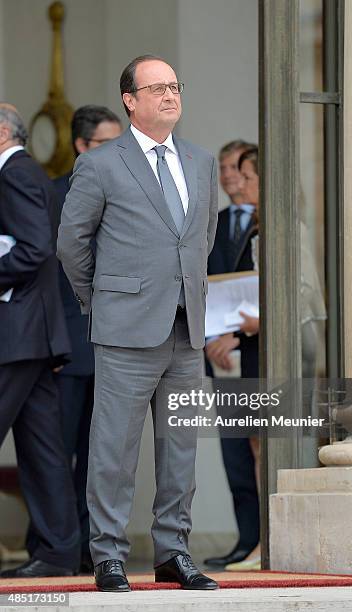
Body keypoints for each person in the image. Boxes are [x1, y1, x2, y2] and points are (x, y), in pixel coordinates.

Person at [57, 55, 219, 592]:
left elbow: (201, 241)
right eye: (157, 88)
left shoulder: (200, 161)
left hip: (185, 331)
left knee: (180, 450)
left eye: (175, 86)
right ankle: (108, 555)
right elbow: (72, 244)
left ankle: (174, 551)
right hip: (125, 329)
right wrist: (103, 300)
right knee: (114, 451)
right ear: (130, 100)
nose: (170, 96)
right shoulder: (102, 163)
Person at [25, 105, 122, 575]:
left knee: (99, 458)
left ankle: (88, 548)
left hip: (111, 348)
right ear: (83, 146)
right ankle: (46, 548)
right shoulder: (51, 193)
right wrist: (55, 344)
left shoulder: (129, 193)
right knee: (53, 453)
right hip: (65, 350)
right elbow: (45, 274)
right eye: (109, 143)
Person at [224, 146, 327, 571]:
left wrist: (259, 319)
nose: (241, 185)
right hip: (258, 347)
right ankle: (267, 542)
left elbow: (303, 294)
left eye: (248, 178)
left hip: (282, 350)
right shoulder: (261, 227)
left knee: (277, 443)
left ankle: (279, 542)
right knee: (259, 444)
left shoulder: (290, 228)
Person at [0, 104, 81, 577]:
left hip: (17, 333)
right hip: (33, 335)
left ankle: (57, 552)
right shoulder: (26, 173)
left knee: (44, 450)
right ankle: (57, 554)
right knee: (43, 450)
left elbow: (34, 249)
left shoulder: (15, 173)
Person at [203, 141, 261, 569]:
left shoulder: (271, 222)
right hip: (219, 353)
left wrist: (237, 338)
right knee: (235, 453)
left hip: (257, 350)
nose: (227, 175)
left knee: (264, 448)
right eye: (222, 167)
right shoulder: (213, 223)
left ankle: (264, 541)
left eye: (234, 167)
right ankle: (246, 540)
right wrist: (210, 338)